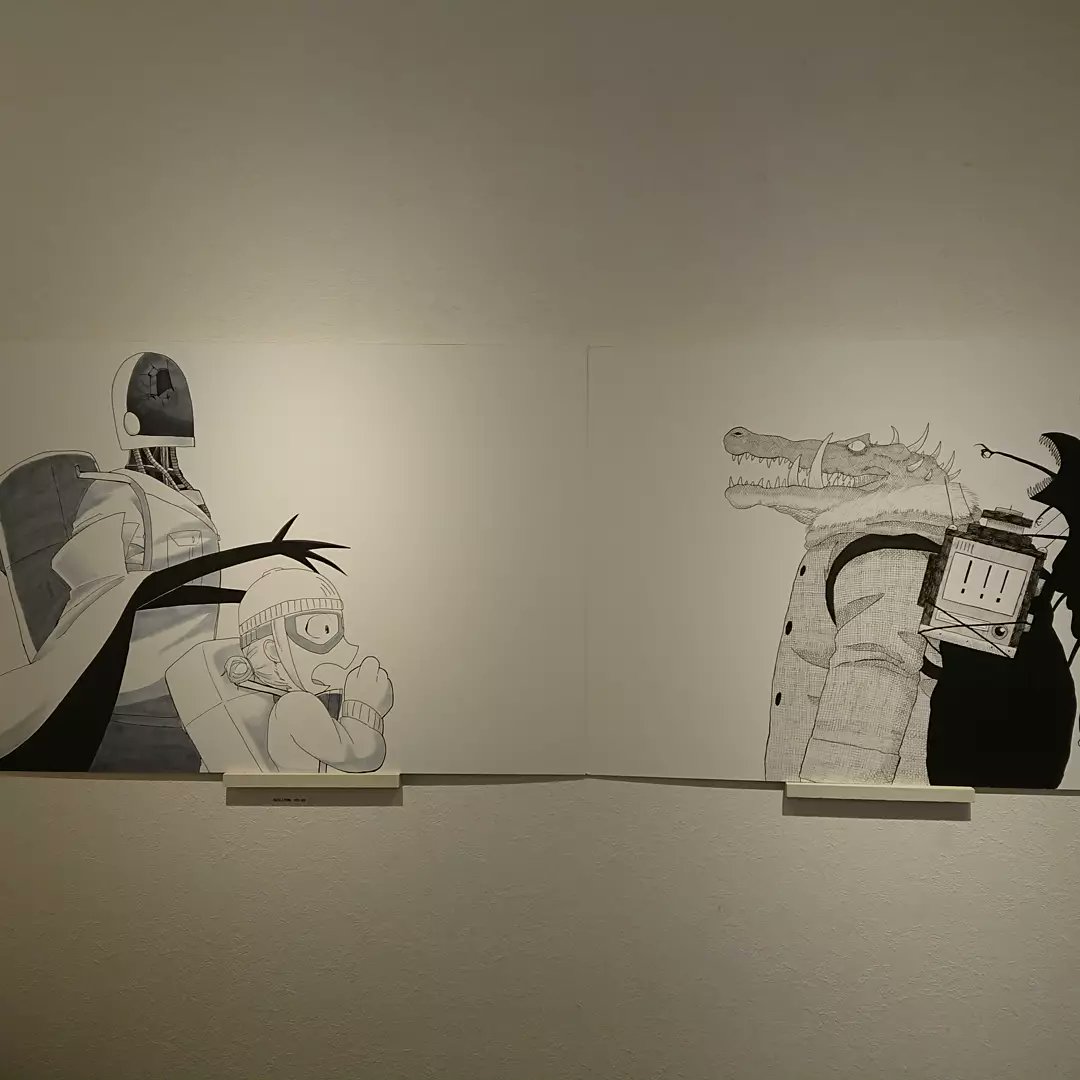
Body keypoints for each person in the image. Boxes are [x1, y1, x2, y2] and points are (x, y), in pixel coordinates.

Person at [48, 351, 222, 771]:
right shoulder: (115, 496)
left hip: (187, 693)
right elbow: (90, 598)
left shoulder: (188, 499)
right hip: (130, 701)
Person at [167, 567, 393, 772]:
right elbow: (361, 756)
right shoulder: (294, 705)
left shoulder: (301, 702)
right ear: (273, 650)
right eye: (322, 629)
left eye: (337, 629)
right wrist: (364, 704)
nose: (340, 645)